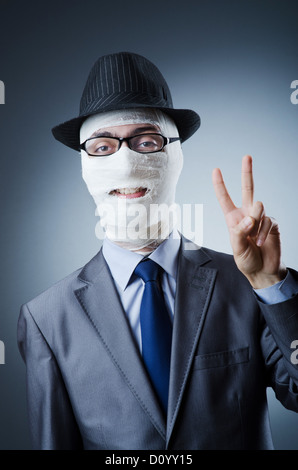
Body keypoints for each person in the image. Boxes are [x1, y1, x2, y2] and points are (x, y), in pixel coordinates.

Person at [17, 51, 298, 450]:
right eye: (102, 147)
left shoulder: (244, 285)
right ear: (83, 164)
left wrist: (271, 284)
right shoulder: (48, 318)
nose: (127, 164)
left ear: (176, 154)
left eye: (146, 141)